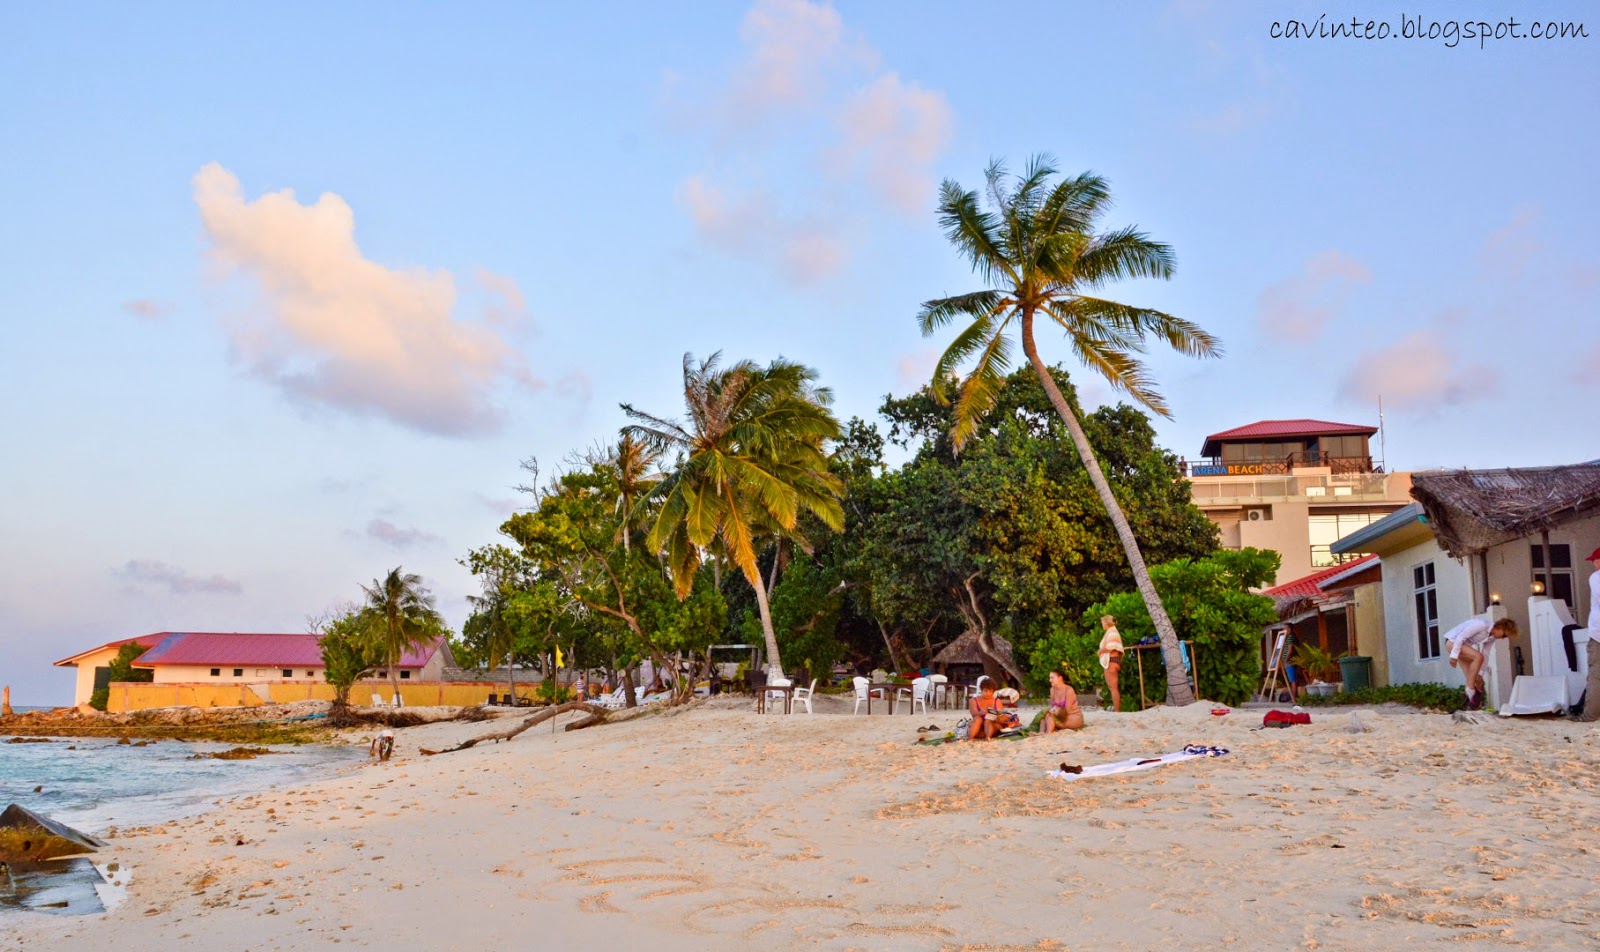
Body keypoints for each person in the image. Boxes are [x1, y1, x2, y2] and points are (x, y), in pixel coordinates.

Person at [1443, 616, 1518, 711]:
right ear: (1501, 627)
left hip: (1462, 646)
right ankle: (1470, 690)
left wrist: (1480, 674)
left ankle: (1468, 705)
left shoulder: (1491, 637)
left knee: (1472, 676)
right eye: (1504, 635)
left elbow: (1486, 654)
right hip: (1452, 642)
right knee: (1478, 657)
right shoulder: (1482, 625)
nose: (1503, 638)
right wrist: (1454, 656)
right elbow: (1461, 637)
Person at [1577, 546, 1600, 722]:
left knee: (1596, 674)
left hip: (1598, 633)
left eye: (1595, 560)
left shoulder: (1596, 577)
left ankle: (1590, 715)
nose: (1593, 563)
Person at [1097, 615, 1124, 712]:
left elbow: (1111, 646)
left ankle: (1117, 711)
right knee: (1113, 688)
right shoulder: (1112, 631)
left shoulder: (1112, 632)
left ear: (1106, 623)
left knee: (1113, 688)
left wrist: (1101, 651)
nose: (1102, 625)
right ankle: (1117, 710)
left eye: (1102, 623)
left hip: (1111, 661)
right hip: (1115, 660)